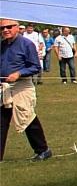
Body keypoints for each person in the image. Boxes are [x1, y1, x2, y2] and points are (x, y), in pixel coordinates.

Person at [1, 18, 53, 161]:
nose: (5, 30)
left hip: (21, 85)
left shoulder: (27, 44)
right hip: (4, 86)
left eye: (9, 27)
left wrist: (18, 73)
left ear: (17, 27)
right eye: (2, 28)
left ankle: (43, 150)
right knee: (1, 120)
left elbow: (35, 66)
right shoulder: (2, 45)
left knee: (26, 117)